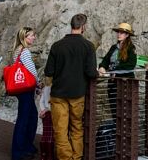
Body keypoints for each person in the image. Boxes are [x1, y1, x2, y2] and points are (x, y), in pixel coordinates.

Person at [44, 14, 98, 160]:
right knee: (76, 128)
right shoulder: (88, 46)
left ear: (71, 25)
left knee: (60, 131)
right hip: (78, 94)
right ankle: (77, 157)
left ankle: (66, 158)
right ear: (83, 26)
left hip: (58, 95)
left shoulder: (57, 45)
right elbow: (92, 73)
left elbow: (48, 71)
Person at [97, 23, 138, 116]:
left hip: (125, 83)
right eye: (118, 32)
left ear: (127, 35)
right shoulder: (114, 47)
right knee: (114, 109)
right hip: (112, 83)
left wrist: (114, 69)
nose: (119, 34)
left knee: (124, 111)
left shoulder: (131, 48)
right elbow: (106, 60)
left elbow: (131, 65)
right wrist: (102, 67)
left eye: (122, 33)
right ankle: (116, 129)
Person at [11, 27, 40, 160]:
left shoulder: (17, 50)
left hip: (20, 89)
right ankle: (18, 151)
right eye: (32, 36)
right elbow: (32, 70)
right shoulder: (25, 51)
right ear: (25, 37)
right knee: (24, 119)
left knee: (31, 116)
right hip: (26, 89)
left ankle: (26, 146)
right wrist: (39, 83)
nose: (34, 38)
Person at [38, 83, 56, 160]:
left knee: (45, 135)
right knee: (51, 136)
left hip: (45, 114)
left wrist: (43, 110)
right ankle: (50, 155)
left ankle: (43, 155)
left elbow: (41, 101)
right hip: (54, 113)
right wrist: (47, 109)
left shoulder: (46, 87)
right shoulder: (57, 87)